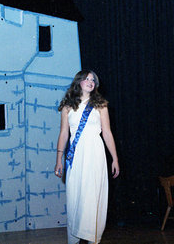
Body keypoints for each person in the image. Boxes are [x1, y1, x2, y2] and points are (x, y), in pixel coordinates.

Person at [54, 70, 120, 244]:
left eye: (93, 80)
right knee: (75, 195)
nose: (91, 82)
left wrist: (115, 158)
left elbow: (107, 133)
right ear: (79, 82)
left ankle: (92, 238)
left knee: (93, 196)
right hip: (76, 156)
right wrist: (58, 159)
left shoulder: (101, 105)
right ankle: (74, 239)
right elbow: (63, 134)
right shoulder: (68, 107)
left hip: (95, 154)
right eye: (87, 79)